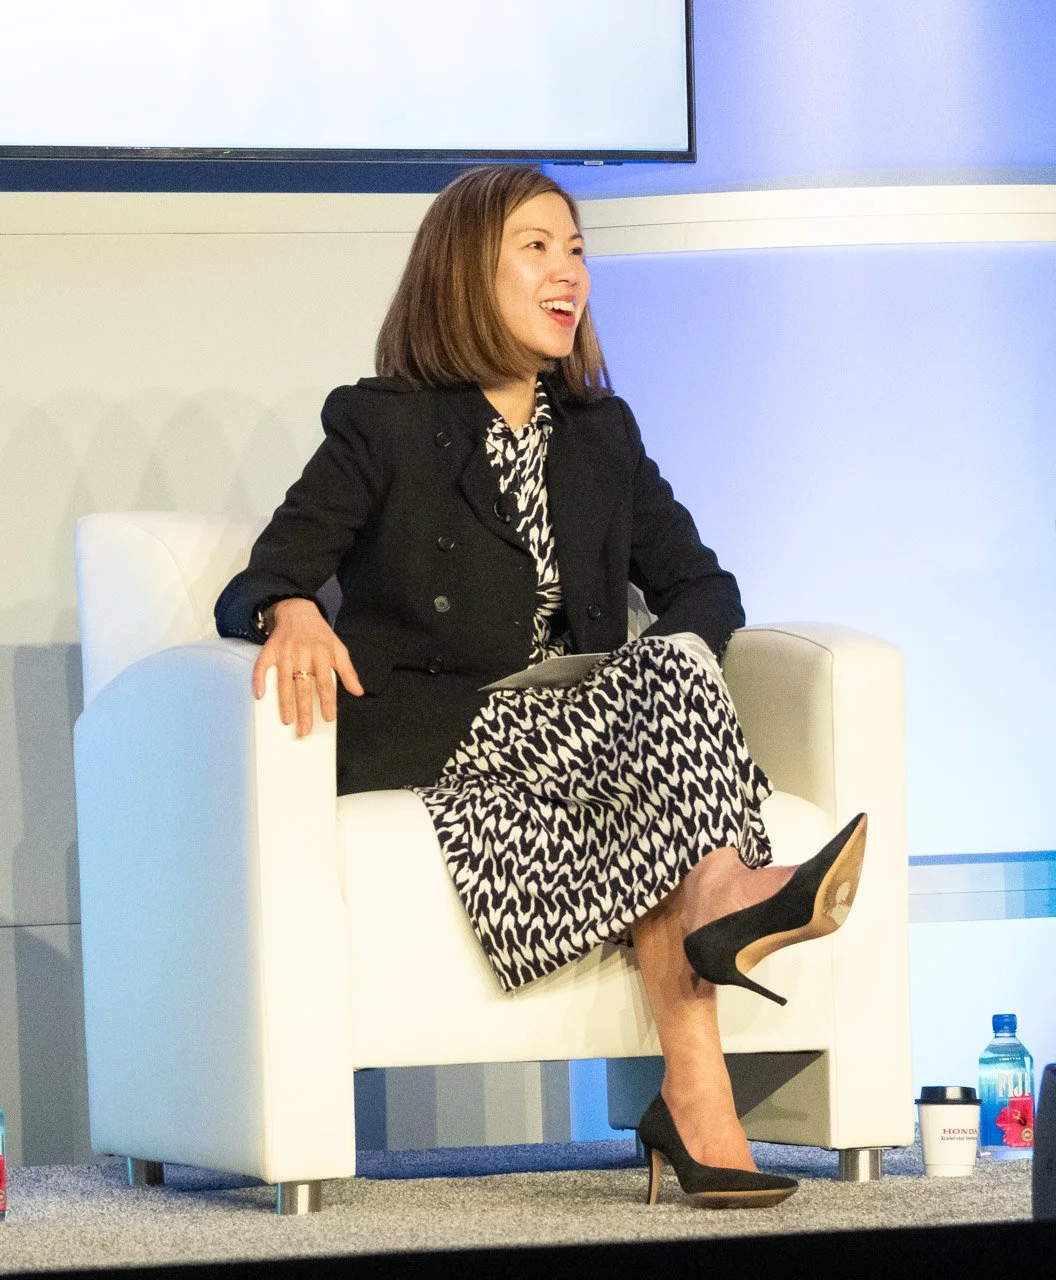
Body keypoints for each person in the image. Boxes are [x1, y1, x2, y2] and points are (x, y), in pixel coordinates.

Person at [214, 165, 868, 1206]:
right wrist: (290, 609)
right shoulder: (383, 423)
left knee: (677, 660)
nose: (569, 273)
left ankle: (696, 1088)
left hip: (587, 725)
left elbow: (705, 584)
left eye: (576, 249)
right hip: (444, 732)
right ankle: (726, 905)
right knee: (669, 745)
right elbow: (265, 571)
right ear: (467, 270)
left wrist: (665, 661)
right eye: (536, 247)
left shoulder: (602, 435)